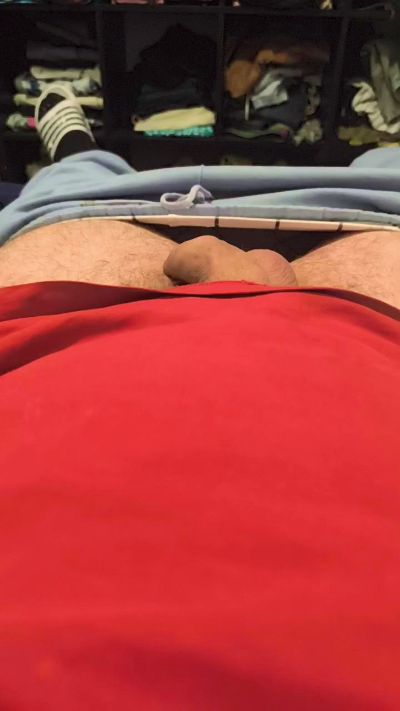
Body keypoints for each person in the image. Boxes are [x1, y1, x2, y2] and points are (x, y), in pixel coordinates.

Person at [0, 85, 398, 710]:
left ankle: (77, 150)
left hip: (81, 249)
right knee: (386, 168)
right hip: (378, 243)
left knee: (70, 183)